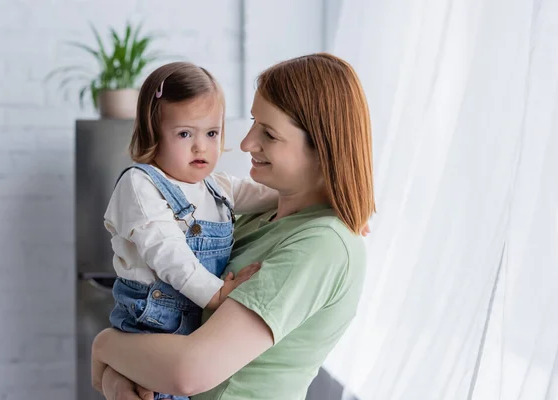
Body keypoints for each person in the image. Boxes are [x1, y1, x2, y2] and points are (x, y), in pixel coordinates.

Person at [92, 53, 375, 400]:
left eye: (268, 134)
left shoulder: (324, 244)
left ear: (323, 147)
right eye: (254, 122)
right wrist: (117, 379)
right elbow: (153, 365)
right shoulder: (252, 216)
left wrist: (105, 345)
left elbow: (189, 372)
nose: (244, 144)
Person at [104, 62, 278, 400]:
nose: (201, 147)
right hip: (151, 324)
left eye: (211, 133)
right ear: (154, 133)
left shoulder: (217, 186)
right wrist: (217, 295)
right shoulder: (140, 184)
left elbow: (270, 195)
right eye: (185, 134)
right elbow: (168, 254)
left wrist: (327, 197)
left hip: (193, 326)